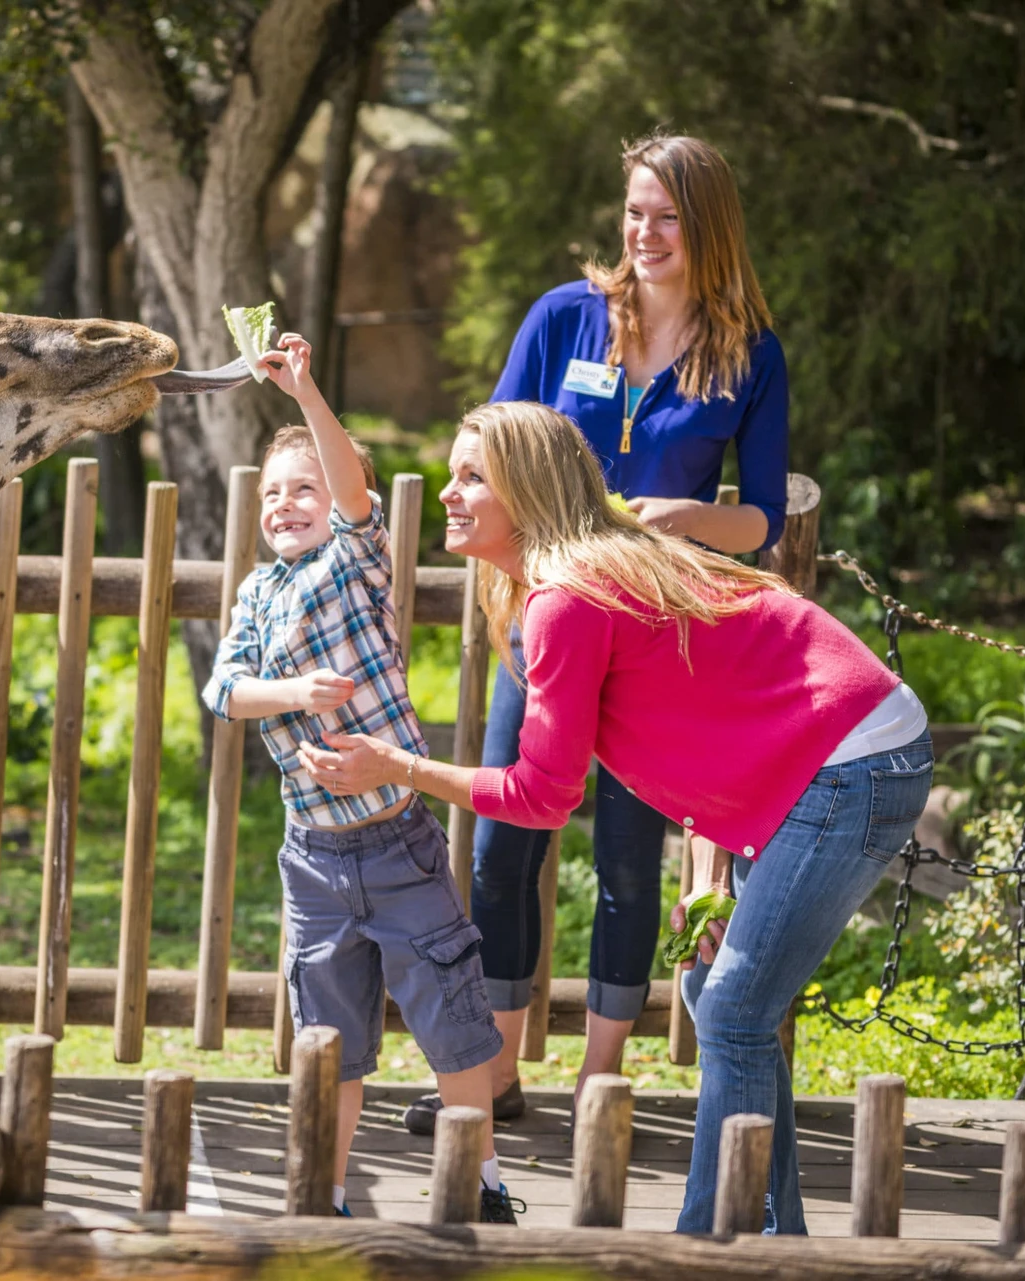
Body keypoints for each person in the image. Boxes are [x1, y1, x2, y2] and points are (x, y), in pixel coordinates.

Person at [296, 401, 932, 1234]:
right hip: (828, 759)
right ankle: (774, 1238)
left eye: (471, 476)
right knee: (717, 991)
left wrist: (399, 767)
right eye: (453, 473)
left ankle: (712, 1244)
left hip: (854, 760)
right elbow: (719, 714)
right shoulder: (578, 577)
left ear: (529, 489)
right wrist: (709, 878)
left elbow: (542, 795)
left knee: (736, 1007)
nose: (449, 493)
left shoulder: (568, 597)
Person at [404, 132, 790, 1136]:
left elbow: (762, 521)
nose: (646, 234)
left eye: (668, 216)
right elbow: (493, 447)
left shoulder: (749, 355)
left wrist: (685, 518)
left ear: (709, 225)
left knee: (627, 859)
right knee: (503, 847)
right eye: (635, 212)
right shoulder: (565, 318)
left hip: (658, 640)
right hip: (545, 624)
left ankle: (599, 1075)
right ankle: (491, 1069)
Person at [202, 333, 520, 1224]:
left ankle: (483, 1185)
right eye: (272, 493)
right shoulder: (259, 594)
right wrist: (295, 691)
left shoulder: (356, 562)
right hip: (313, 861)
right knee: (330, 1039)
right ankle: (328, 1195)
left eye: (302, 488)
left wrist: (305, 394)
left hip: (398, 847)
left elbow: (350, 494)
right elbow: (225, 691)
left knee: (453, 1019)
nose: (286, 505)